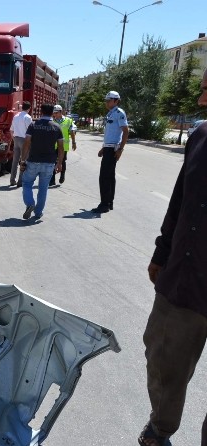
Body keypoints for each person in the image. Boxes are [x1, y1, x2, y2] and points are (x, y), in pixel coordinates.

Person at [138, 68, 207, 446]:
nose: (200, 101)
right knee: (162, 360)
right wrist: (162, 251)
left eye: (206, 91)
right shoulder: (200, 135)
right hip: (183, 281)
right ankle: (160, 430)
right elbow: (180, 200)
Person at [18, 103, 64, 220]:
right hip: (49, 163)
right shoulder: (56, 127)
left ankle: (30, 203)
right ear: (52, 113)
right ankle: (38, 213)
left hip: (33, 161)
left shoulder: (33, 125)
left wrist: (23, 159)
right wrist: (59, 163)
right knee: (43, 189)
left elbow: (27, 143)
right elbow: (61, 147)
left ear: (41, 112)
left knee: (27, 183)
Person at [91, 90, 128, 213]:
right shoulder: (111, 113)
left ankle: (104, 204)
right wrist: (103, 148)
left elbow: (126, 131)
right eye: (106, 101)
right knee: (110, 176)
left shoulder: (119, 113)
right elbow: (110, 133)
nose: (107, 103)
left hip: (113, 148)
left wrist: (120, 149)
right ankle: (109, 202)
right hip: (108, 147)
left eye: (109, 100)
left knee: (104, 177)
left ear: (116, 101)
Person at [49, 104, 77, 186]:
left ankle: (62, 175)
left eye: (56, 113)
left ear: (61, 112)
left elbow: (72, 132)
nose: (55, 115)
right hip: (53, 146)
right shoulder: (52, 121)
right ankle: (52, 179)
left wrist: (74, 142)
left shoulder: (68, 120)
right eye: (54, 113)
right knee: (53, 162)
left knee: (62, 161)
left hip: (64, 146)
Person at [10, 101, 32, 187]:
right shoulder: (28, 117)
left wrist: (14, 139)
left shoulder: (16, 116)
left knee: (15, 161)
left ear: (22, 107)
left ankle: (12, 180)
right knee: (24, 161)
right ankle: (20, 181)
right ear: (29, 108)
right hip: (24, 140)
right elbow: (30, 131)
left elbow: (11, 130)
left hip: (16, 139)